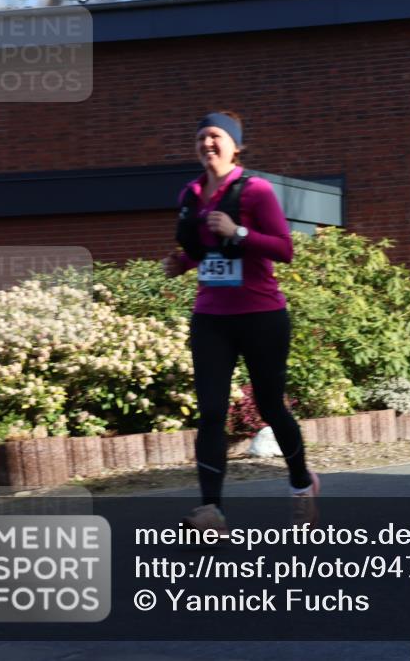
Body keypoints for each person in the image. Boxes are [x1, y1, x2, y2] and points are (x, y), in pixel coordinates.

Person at [162, 111, 319, 532]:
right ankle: (211, 510)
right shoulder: (190, 195)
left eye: (215, 137)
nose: (207, 144)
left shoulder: (257, 191)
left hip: (262, 315)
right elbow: (203, 251)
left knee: (270, 405)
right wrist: (182, 263)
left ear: (235, 145)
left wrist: (240, 232)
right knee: (211, 411)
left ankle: (302, 484)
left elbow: (285, 249)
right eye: (201, 138)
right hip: (210, 318)